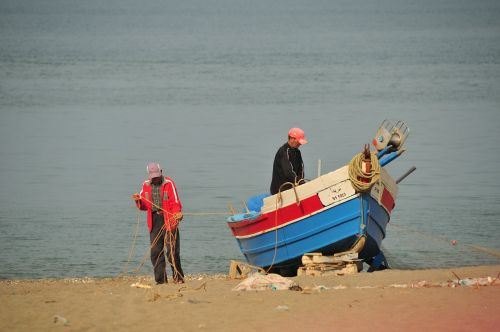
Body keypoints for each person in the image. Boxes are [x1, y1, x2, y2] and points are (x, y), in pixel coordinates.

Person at [132, 162, 185, 284]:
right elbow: (144, 206)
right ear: (149, 175)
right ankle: (161, 280)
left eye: (157, 175)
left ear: (161, 172)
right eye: (153, 176)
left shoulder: (169, 183)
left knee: (172, 251)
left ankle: (179, 278)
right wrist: (138, 200)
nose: (155, 178)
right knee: (156, 251)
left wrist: (178, 213)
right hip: (154, 220)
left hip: (169, 219)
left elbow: (175, 202)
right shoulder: (145, 185)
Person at [270, 127, 308, 195]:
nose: (300, 144)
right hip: (280, 189)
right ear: (292, 139)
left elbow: (301, 169)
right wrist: (299, 182)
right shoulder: (284, 151)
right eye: (299, 142)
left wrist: (301, 181)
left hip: (292, 187)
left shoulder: (297, 152)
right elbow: (288, 172)